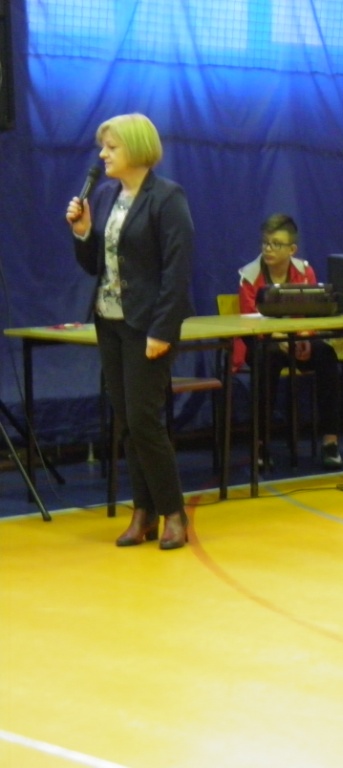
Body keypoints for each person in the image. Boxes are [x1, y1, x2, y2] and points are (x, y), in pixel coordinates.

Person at [65, 113, 194, 549]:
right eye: (103, 147)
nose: (103, 154)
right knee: (126, 423)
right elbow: (95, 267)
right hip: (110, 322)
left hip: (147, 327)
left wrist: (163, 330)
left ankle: (173, 512)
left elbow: (177, 270)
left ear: (136, 149)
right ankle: (143, 511)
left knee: (144, 421)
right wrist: (84, 233)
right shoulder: (105, 197)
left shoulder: (167, 197)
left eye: (112, 147)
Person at [235, 214, 343, 470]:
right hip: (262, 342)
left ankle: (330, 442)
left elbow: (312, 314)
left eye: (276, 244)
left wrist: (305, 338)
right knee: (267, 359)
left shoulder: (305, 271)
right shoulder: (249, 276)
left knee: (327, 355)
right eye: (265, 243)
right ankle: (261, 444)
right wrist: (282, 338)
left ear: (292, 249)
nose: (268, 249)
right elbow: (249, 322)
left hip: (298, 339)